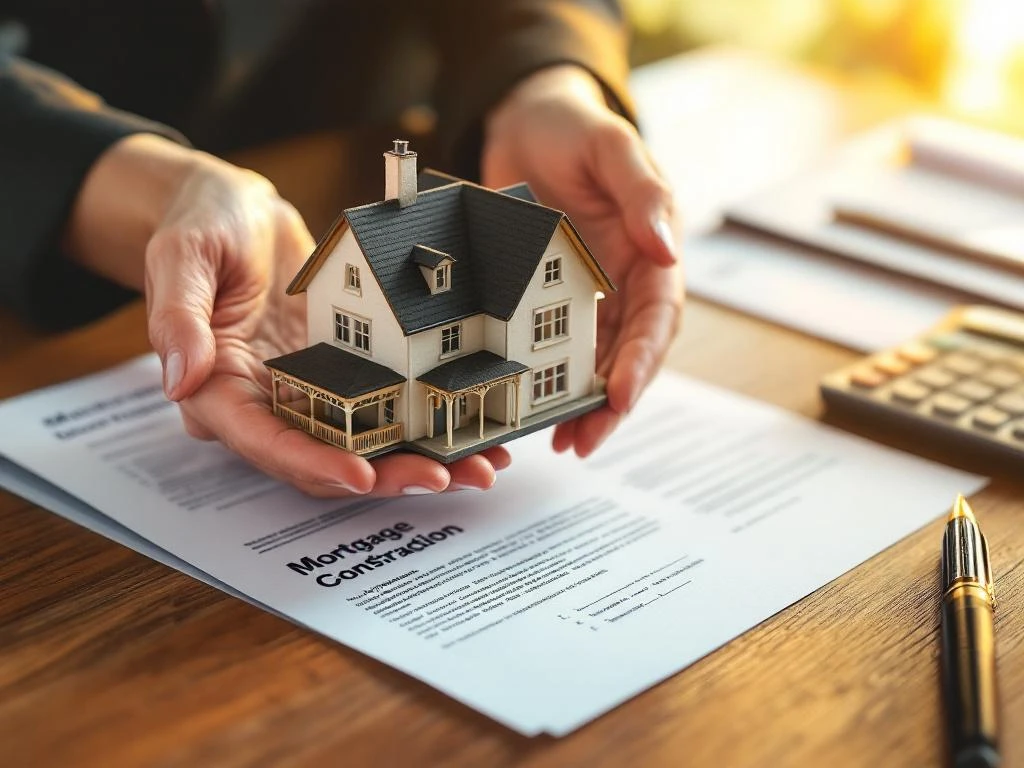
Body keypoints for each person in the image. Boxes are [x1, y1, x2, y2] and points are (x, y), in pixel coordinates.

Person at [0, 1, 683, 497]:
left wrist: (542, 77)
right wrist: (137, 185)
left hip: (357, 146)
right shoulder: (383, 268)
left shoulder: (471, 256)